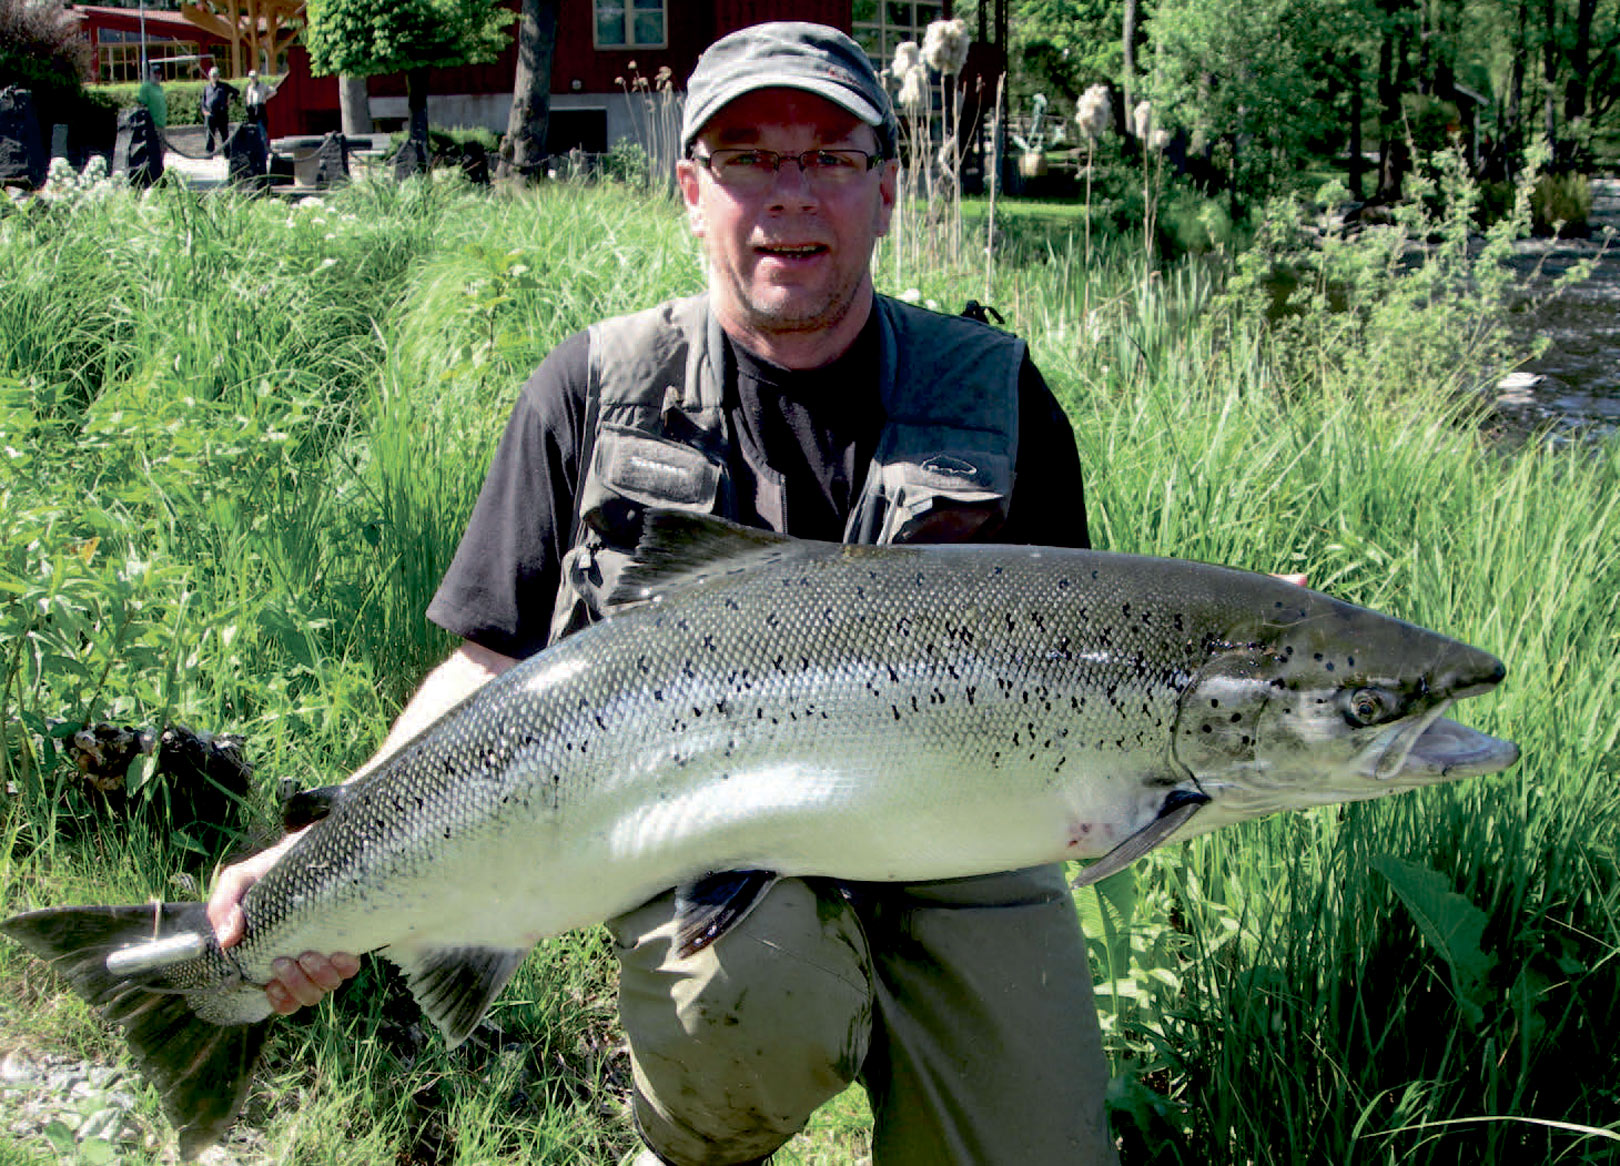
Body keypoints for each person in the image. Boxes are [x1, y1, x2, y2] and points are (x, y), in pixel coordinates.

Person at [206, 21, 1119, 1166]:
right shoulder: (592, 390)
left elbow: (1087, 651)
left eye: (832, 158)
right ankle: (686, 1145)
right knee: (742, 1006)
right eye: (748, 157)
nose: (791, 195)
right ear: (691, 191)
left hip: (963, 859)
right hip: (714, 860)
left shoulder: (997, 394)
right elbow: (485, 664)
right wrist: (314, 854)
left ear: (887, 191)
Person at [201, 66, 236, 155]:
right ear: (210, 77)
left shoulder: (224, 86)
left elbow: (236, 92)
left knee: (224, 135)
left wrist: (230, 100)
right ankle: (209, 153)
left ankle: (227, 154)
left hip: (222, 114)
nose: (214, 77)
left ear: (218, 76)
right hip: (210, 114)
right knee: (209, 135)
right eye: (212, 76)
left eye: (216, 75)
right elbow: (203, 102)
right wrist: (204, 111)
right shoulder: (206, 88)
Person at [136, 64, 167, 130]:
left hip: (161, 124)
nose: (157, 75)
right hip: (151, 125)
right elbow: (142, 106)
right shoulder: (146, 87)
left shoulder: (159, 88)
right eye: (155, 73)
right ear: (150, 74)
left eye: (159, 73)